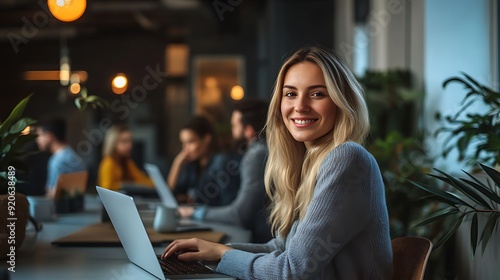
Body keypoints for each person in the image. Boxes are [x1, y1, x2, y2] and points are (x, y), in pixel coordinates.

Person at [161, 47, 392, 279]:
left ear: (342, 102)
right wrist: (212, 252)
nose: (300, 106)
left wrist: (223, 255)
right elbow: (280, 249)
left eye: (317, 94)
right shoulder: (310, 162)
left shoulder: (347, 158)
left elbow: (292, 271)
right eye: (290, 94)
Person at [178, 99, 272, 243]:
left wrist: (196, 212)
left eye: (234, 125)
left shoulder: (256, 155)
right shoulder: (264, 150)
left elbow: (239, 215)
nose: (231, 128)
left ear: (248, 130)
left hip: (261, 240)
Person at [167, 116, 241, 206]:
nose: (185, 149)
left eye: (190, 142)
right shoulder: (192, 164)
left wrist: (196, 201)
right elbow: (170, 194)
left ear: (206, 139)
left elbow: (226, 202)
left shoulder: (220, 162)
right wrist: (177, 163)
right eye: (183, 143)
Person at [36, 118, 86, 198]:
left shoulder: (57, 161)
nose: (37, 140)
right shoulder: (75, 156)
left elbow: (52, 194)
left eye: (39, 135)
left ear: (49, 136)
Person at [97, 124, 153, 191]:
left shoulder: (126, 162)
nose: (129, 145)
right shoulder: (108, 163)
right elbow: (105, 189)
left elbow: (141, 180)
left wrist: (158, 184)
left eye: (130, 141)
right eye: (124, 141)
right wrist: (122, 185)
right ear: (113, 143)